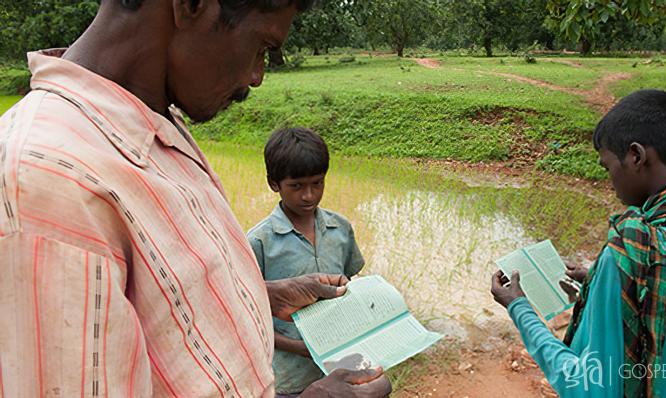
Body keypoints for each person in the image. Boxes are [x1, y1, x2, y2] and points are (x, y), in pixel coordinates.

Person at [0, 0, 390, 396]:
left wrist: (262, 294)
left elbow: (161, 310)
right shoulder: (45, 180)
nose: (256, 77)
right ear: (190, 5)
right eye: (262, 47)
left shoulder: (158, 129)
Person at [491, 89, 666, 398]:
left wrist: (518, 306)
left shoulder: (629, 255)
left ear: (636, 156)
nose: (609, 179)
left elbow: (586, 388)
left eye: (607, 166)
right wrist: (596, 280)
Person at [247, 127, 366, 397]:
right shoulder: (259, 243)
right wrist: (301, 347)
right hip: (288, 375)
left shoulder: (340, 229)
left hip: (339, 363)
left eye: (317, 183)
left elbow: (349, 289)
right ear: (274, 183)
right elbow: (250, 318)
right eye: (297, 186)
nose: (309, 195)